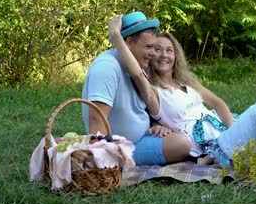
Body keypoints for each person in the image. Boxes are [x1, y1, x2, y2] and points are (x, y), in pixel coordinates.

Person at [108, 14, 236, 165]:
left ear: (176, 56)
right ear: (150, 54)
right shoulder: (152, 90)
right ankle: (214, 156)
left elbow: (218, 103)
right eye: (157, 49)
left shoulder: (187, 82)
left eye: (169, 50)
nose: (163, 55)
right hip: (198, 142)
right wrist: (116, 36)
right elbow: (136, 73)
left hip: (220, 127)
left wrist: (234, 131)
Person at [81, 11, 191, 166]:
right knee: (181, 145)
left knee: (182, 139)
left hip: (142, 137)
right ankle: (116, 162)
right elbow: (96, 119)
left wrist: (155, 126)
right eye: (149, 47)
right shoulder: (107, 67)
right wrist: (101, 160)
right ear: (129, 42)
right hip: (118, 147)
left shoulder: (138, 66)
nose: (153, 53)